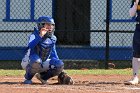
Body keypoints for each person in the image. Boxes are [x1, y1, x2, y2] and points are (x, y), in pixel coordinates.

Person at [21, 16, 74, 85]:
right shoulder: (34, 35)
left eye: (52, 25)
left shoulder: (53, 38)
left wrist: (60, 70)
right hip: (28, 61)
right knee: (36, 61)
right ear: (41, 25)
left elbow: (53, 54)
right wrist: (40, 36)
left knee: (59, 64)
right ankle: (28, 78)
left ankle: (43, 77)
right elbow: (31, 45)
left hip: (42, 62)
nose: (50, 27)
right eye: (48, 25)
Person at [124, 0, 140, 85]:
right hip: (139, 28)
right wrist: (136, 3)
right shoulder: (136, 1)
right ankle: (135, 77)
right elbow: (131, 14)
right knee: (136, 54)